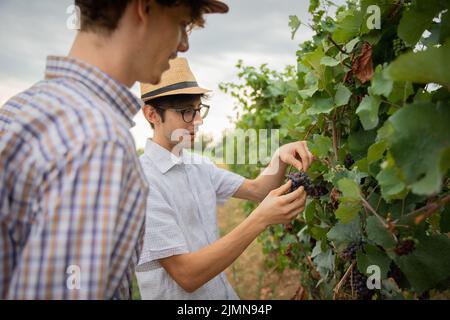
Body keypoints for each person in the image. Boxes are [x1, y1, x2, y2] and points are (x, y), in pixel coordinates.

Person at [0, 0, 229, 299]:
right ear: (144, 8)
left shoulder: (19, 108)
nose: (183, 45)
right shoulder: (99, 140)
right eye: (180, 24)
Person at [135, 57, 314, 299]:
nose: (197, 121)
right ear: (152, 115)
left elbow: (258, 190)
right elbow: (187, 275)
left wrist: (279, 158)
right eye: (187, 112)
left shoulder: (199, 166)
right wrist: (259, 219)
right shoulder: (142, 183)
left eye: (198, 110)